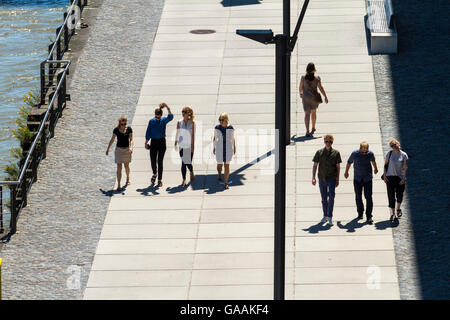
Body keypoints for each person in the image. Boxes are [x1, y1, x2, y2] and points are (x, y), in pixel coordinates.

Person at [344, 142, 379, 224]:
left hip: (367, 179)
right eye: (362, 152)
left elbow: (373, 161)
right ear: (360, 149)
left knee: (368, 197)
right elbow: (349, 162)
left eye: (365, 152)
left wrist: (375, 168)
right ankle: (360, 213)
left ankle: (369, 216)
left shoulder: (370, 154)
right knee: (358, 197)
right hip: (357, 179)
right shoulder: (355, 154)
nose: (364, 153)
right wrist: (346, 172)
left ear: (368, 149)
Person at [312, 134, 341, 226]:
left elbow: (338, 166)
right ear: (324, 141)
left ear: (332, 142)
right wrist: (313, 177)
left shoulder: (336, 153)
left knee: (331, 197)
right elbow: (315, 165)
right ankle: (325, 215)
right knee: (324, 198)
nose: (328, 143)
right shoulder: (319, 152)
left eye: (330, 142)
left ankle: (330, 216)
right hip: (322, 178)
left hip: (332, 178)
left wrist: (338, 178)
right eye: (326, 141)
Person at [145, 102, 173, 187]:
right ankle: (154, 173)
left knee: (160, 161)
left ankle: (160, 180)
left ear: (161, 115)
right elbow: (148, 132)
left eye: (159, 116)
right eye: (156, 116)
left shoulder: (163, 120)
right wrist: (146, 142)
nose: (157, 117)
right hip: (153, 142)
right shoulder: (151, 121)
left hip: (161, 142)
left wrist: (167, 107)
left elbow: (171, 117)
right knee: (153, 160)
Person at [299, 62, 328, 137]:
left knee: (307, 114)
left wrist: (300, 93)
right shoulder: (317, 78)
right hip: (314, 98)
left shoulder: (303, 78)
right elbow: (321, 88)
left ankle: (307, 131)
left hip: (306, 98)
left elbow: (300, 87)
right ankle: (313, 127)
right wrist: (325, 96)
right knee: (314, 112)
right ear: (314, 70)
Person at [383, 138, 408, 222]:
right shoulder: (389, 154)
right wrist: (385, 176)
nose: (394, 146)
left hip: (399, 178)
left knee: (400, 195)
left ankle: (398, 209)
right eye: (392, 145)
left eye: (395, 144)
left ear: (398, 144)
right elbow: (385, 165)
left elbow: (405, 168)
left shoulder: (403, 155)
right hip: (390, 177)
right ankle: (393, 214)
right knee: (391, 196)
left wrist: (403, 178)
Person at [106, 116, 133, 191]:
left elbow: (131, 140)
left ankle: (127, 178)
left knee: (126, 166)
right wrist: (108, 149)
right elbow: (112, 139)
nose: (124, 125)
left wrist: (131, 147)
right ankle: (118, 185)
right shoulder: (116, 130)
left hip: (127, 150)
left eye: (125, 124)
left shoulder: (129, 129)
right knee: (119, 167)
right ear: (119, 123)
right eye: (122, 124)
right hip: (119, 150)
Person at [213, 113, 236, 190]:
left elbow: (233, 138)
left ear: (226, 120)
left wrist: (234, 147)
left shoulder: (231, 128)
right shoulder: (217, 128)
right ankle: (219, 173)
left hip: (228, 147)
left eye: (222, 120)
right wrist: (214, 147)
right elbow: (215, 138)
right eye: (219, 120)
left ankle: (226, 183)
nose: (220, 121)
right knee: (219, 164)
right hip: (219, 147)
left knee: (227, 165)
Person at [175, 106, 195, 187]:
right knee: (183, 162)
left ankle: (191, 171)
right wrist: (175, 141)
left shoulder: (192, 123)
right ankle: (184, 179)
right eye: (182, 112)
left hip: (189, 145)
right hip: (182, 145)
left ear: (188, 113)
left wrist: (193, 145)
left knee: (188, 162)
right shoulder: (179, 122)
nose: (183, 114)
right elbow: (177, 132)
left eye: (184, 112)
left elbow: (193, 135)